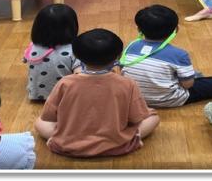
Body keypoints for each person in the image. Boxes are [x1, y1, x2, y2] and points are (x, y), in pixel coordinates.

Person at [34, 29, 160, 157]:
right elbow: (136, 117)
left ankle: (60, 140)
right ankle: (130, 139)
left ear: (77, 56)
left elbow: (49, 116)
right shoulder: (127, 84)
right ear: (118, 56)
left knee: (40, 122)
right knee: (153, 117)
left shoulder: (65, 83)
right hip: (116, 143)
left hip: (69, 144)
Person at [120, 5, 212, 107]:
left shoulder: (130, 47)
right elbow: (187, 85)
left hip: (135, 98)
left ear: (139, 29)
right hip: (169, 99)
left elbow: (123, 71)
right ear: (176, 30)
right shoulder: (179, 54)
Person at [24, 4, 81, 101]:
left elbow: (25, 60)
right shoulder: (74, 50)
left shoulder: (32, 46)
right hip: (62, 97)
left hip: (35, 94)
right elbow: (79, 75)